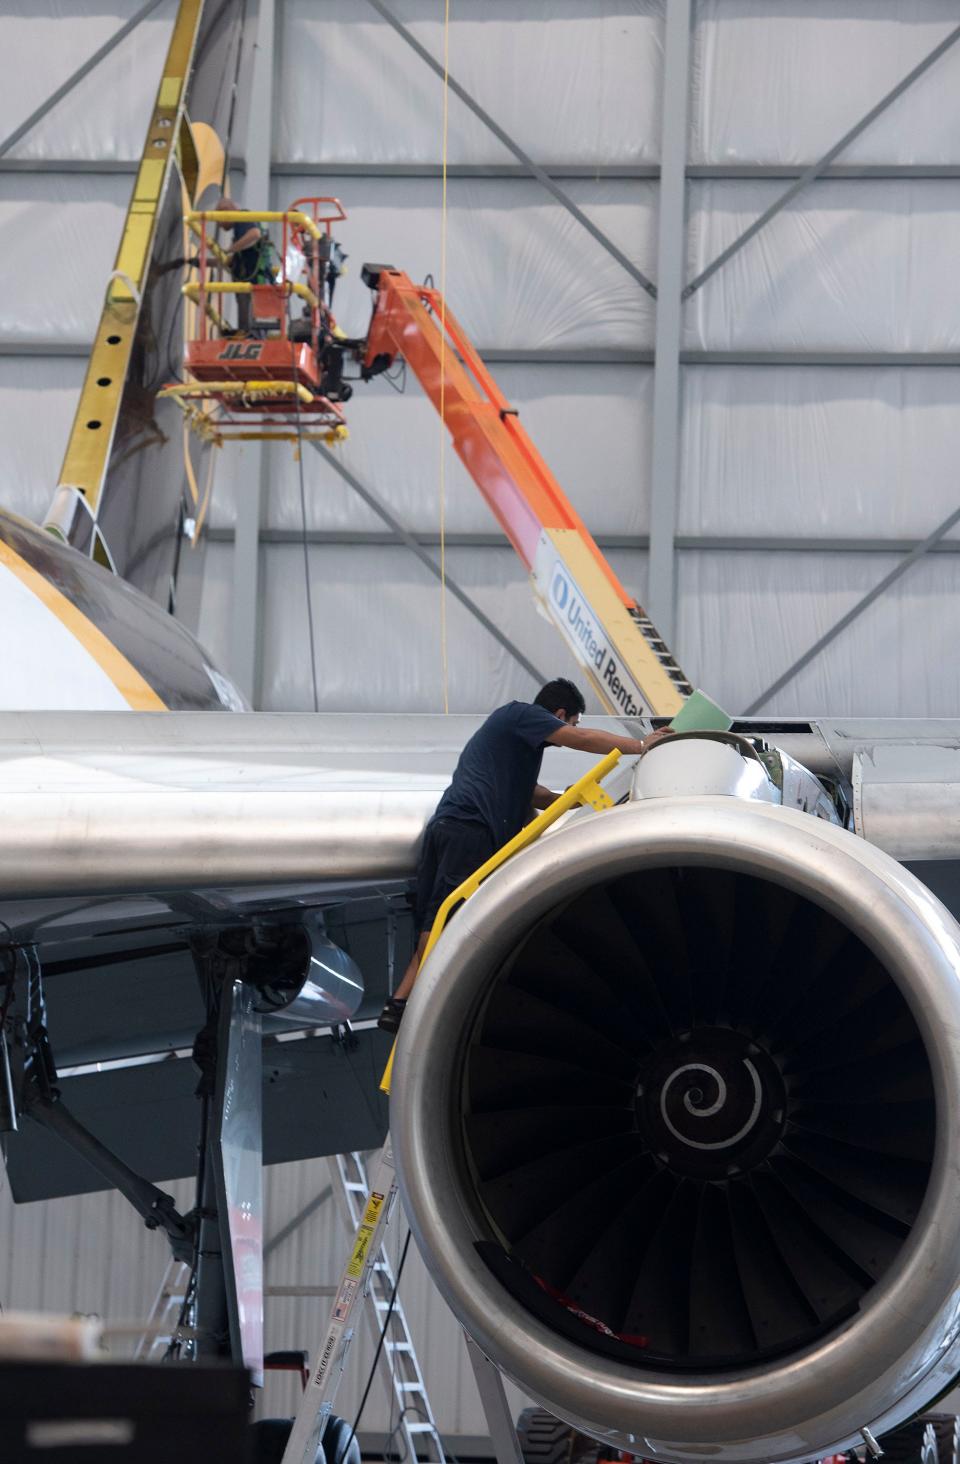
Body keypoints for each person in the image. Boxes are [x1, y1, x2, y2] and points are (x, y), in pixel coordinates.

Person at [377, 678, 670, 1032]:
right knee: (449, 917)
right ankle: (426, 1001)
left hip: (451, 825)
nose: (567, 733)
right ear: (560, 714)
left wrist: (576, 800)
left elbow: (533, 793)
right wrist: (641, 745)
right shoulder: (522, 715)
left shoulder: (510, 744)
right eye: (569, 722)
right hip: (473, 827)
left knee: (434, 917)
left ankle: (399, 1002)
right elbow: (582, 739)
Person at [214, 194, 276, 335]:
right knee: (251, 325)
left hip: (254, 284)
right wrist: (203, 262)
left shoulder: (242, 218)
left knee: (251, 326)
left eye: (218, 219)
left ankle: (249, 335)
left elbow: (255, 234)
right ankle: (248, 334)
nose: (219, 225)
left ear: (227, 210)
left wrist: (231, 249)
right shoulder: (239, 231)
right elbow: (230, 261)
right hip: (252, 283)